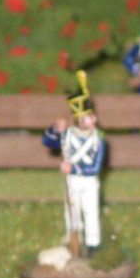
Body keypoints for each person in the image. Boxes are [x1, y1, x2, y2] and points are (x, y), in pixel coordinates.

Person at [41, 70, 106, 254]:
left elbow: (95, 168)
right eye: (82, 118)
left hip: (89, 181)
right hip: (72, 181)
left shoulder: (99, 139)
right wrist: (55, 129)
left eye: (88, 117)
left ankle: (93, 244)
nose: (85, 121)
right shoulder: (67, 134)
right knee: (71, 211)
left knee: (91, 210)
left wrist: (73, 168)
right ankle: (74, 240)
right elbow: (48, 142)